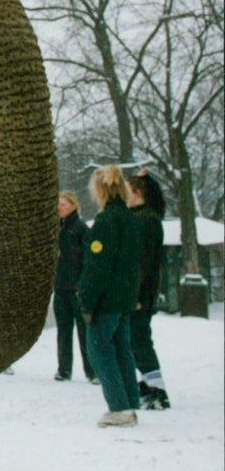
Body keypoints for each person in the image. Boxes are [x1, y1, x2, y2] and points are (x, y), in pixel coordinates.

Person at [78, 165, 142, 427]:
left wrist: (87, 301)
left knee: (100, 351)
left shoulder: (105, 222)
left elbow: (97, 267)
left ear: (100, 190)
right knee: (122, 350)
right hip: (124, 299)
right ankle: (129, 402)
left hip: (106, 301)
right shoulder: (131, 219)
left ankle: (119, 407)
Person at [126, 169, 171, 410]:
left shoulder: (145, 220)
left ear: (137, 193)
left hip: (141, 294)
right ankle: (147, 383)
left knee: (139, 340)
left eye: (126, 190)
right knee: (136, 340)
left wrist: (135, 295)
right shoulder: (144, 216)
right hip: (141, 291)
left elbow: (141, 262)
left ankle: (157, 390)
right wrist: (148, 179)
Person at [53, 191, 96, 382]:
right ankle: (64, 369)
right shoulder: (56, 229)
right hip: (60, 287)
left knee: (84, 331)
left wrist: (83, 285)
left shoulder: (81, 229)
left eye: (63, 204)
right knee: (63, 330)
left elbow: (89, 259)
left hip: (77, 288)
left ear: (73, 206)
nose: (59, 208)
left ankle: (92, 371)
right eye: (58, 204)